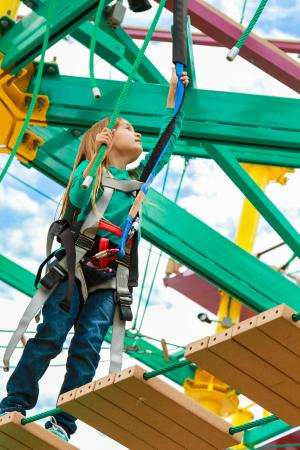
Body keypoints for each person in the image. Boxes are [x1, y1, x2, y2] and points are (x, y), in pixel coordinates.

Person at [0, 68, 189, 442]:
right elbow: (80, 200)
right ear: (104, 138)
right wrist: (94, 157)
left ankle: (63, 422)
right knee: (50, 336)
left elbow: (169, 140)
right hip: (75, 270)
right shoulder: (92, 174)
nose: (136, 133)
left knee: (87, 348)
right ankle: (14, 403)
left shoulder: (137, 179)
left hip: (108, 277)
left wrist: (174, 99)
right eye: (127, 127)